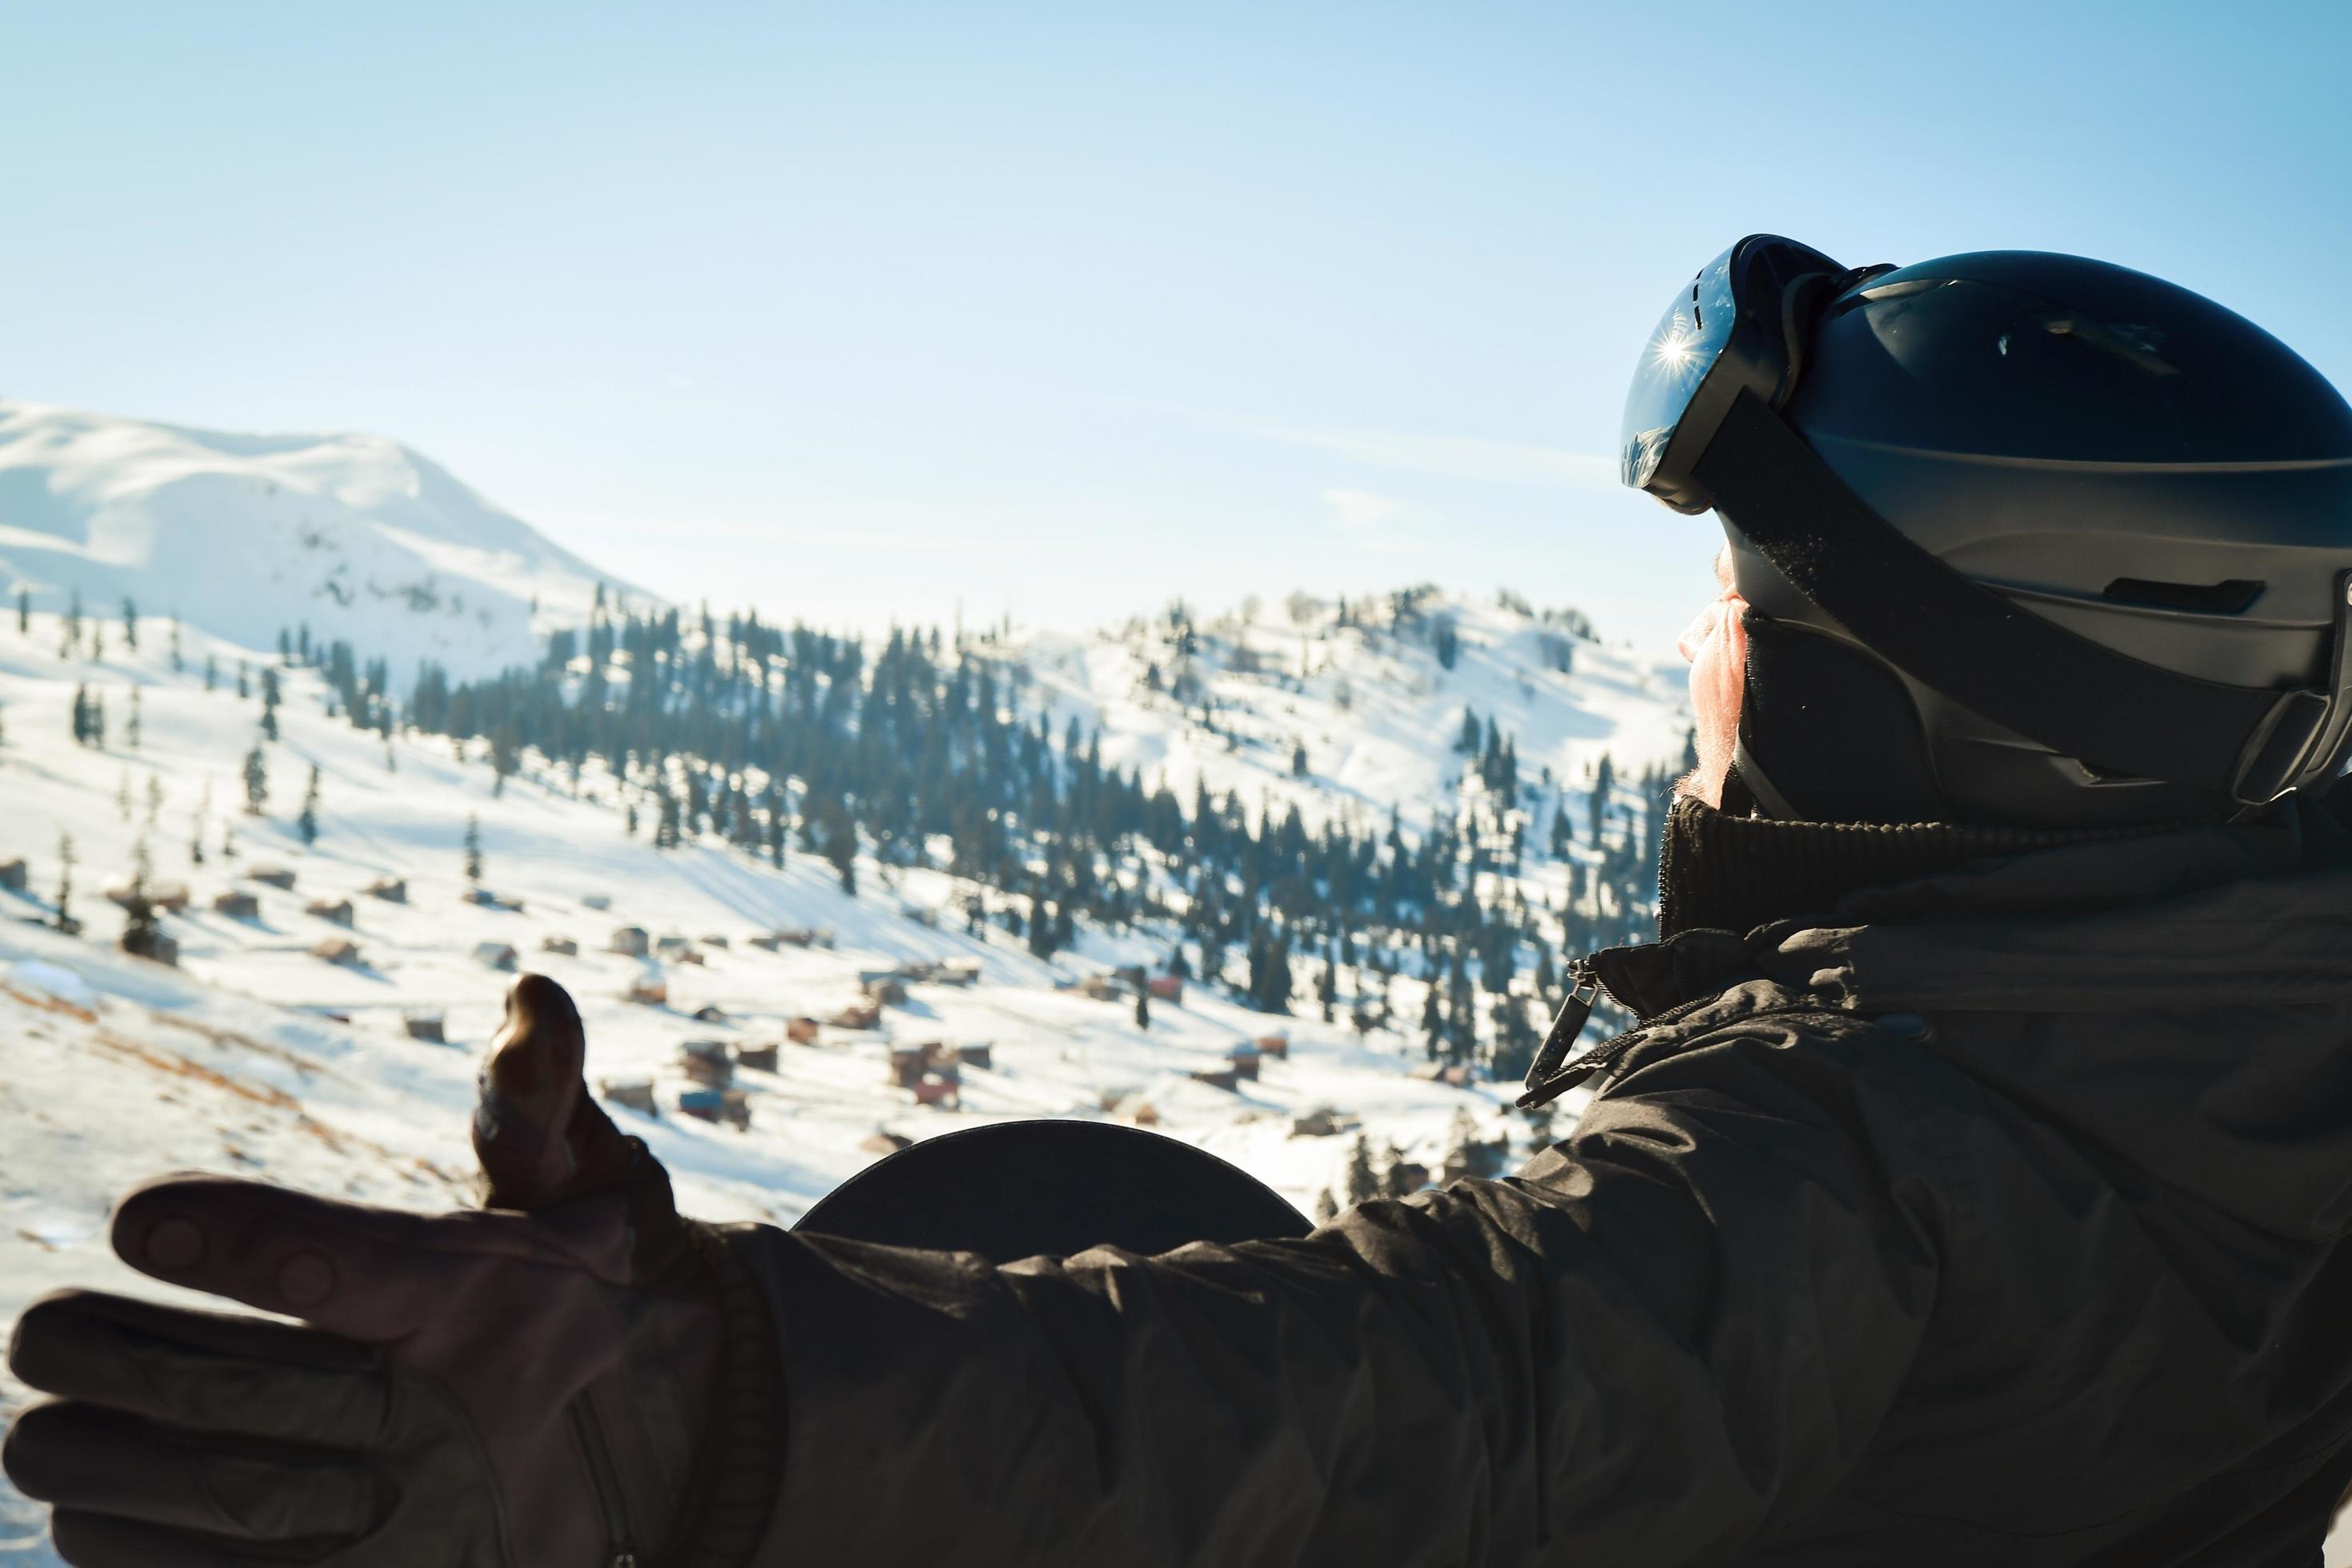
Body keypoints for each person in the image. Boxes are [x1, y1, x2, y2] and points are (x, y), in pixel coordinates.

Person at [11, 239, 2352, 1566]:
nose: (1702, 655)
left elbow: (1451, 1378)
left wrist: (705, 1406)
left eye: (1752, 609)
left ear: (1899, 705)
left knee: (1048, 1212)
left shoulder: (1864, 1139)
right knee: (1086, 1189)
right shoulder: (2250, 998)